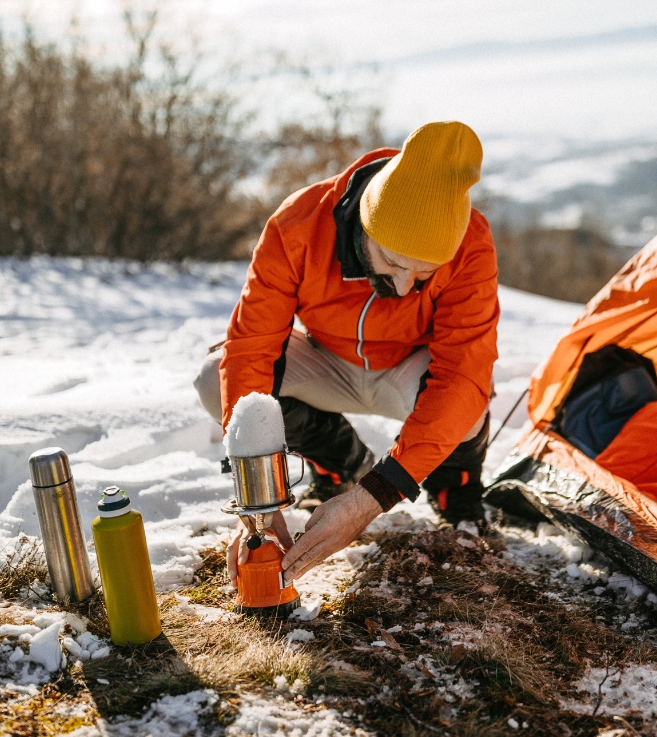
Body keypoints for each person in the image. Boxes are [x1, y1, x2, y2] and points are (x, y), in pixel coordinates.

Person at [193, 121, 499, 585]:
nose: (404, 287)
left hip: (407, 370)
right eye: (392, 262)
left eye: (423, 274)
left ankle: (454, 492)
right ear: (365, 224)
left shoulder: (472, 241)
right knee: (213, 378)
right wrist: (257, 503)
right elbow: (252, 348)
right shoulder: (299, 224)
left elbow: (462, 374)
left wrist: (373, 497)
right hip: (327, 362)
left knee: (467, 406)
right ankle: (339, 465)